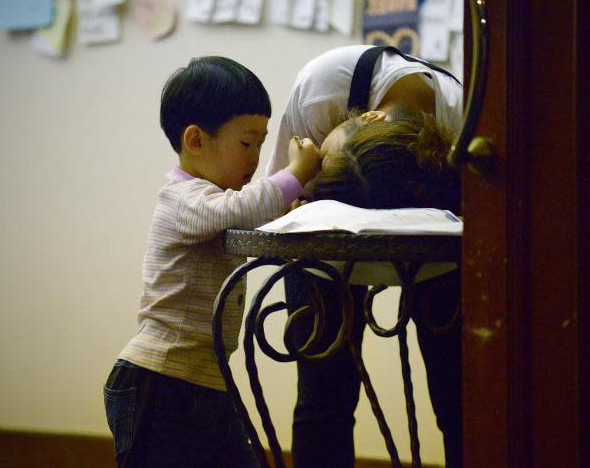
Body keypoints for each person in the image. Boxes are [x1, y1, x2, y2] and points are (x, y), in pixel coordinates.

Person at [103, 56, 321, 468]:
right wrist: (295, 173)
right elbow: (236, 211)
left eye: (262, 142)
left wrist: (292, 206)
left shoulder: (216, 204)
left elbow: (249, 219)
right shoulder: (182, 200)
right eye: (246, 143)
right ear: (196, 141)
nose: (256, 158)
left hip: (204, 381)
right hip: (160, 381)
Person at [265, 45, 464, 468]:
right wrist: (303, 196)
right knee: (323, 396)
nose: (316, 158)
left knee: (459, 397)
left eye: (324, 162)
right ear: (365, 117)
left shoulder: (469, 124)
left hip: (439, 246)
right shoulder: (322, 89)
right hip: (325, 246)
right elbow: (278, 196)